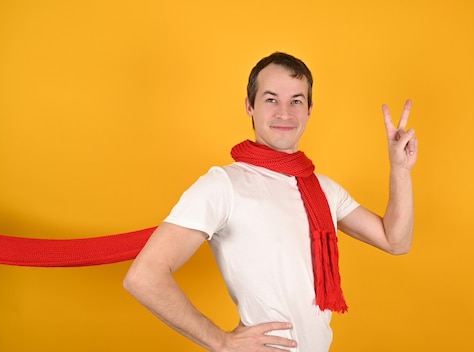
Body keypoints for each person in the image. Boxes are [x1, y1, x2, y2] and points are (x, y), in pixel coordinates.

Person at [124, 52, 418, 352]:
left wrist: (400, 170)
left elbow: (395, 241)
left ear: (309, 109)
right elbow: (144, 275)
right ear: (250, 106)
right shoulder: (224, 184)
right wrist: (221, 341)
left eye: (296, 101)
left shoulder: (324, 189)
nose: (284, 113)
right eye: (271, 99)